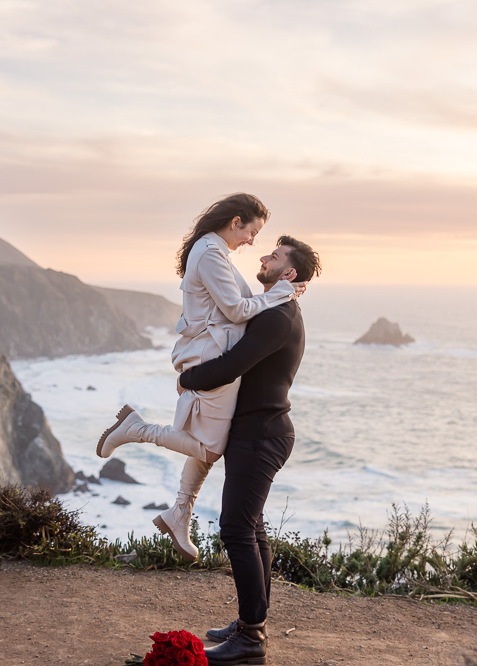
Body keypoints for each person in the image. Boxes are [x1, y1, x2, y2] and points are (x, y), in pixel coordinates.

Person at [96, 193, 304, 561]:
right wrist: (282, 293)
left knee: (211, 442)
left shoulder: (215, 253)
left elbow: (238, 309)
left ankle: (180, 513)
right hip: (210, 354)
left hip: (214, 350)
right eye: (252, 232)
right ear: (235, 222)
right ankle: (135, 428)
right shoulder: (210, 253)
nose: (253, 242)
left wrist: (279, 295)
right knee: (210, 447)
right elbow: (238, 311)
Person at [180, 235, 321, 666]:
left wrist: (187, 379)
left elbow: (233, 365)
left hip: (262, 435)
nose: (263, 257)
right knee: (252, 527)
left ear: (289, 274)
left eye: (274, 256)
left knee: (236, 529)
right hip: (258, 431)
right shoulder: (275, 310)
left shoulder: (278, 316)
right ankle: (249, 626)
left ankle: (251, 640)